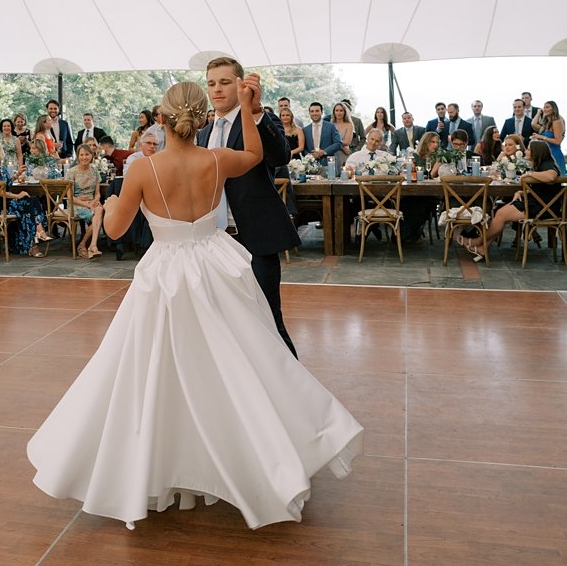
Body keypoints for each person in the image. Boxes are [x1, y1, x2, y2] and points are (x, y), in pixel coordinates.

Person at [29, 77, 362, 530]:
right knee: (235, 362)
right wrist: (246, 105)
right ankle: (252, 454)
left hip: (167, 273)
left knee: (159, 366)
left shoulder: (143, 170)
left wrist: (108, 205)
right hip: (217, 263)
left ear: (161, 120)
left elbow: (114, 233)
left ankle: (165, 462)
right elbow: (257, 156)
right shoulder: (217, 159)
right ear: (202, 119)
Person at [200, 60, 302, 357]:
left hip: (255, 238)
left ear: (241, 84)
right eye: (211, 83)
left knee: (268, 318)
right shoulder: (203, 135)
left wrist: (256, 112)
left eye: (224, 82)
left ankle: (293, 389)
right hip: (215, 243)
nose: (217, 89)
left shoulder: (255, 121)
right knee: (223, 322)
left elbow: (280, 155)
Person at [458, 141, 560, 257]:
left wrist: (530, 174)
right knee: (499, 211)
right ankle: (483, 248)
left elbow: (551, 176)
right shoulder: (540, 164)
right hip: (538, 203)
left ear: (537, 152)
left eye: (528, 149)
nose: (525, 151)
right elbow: (541, 189)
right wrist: (521, 191)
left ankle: (479, 241)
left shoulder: (547, 165)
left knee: (501, 214)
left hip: (544, 208)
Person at [0, 142, 53, 258]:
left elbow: (3, 183)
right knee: (28, 205)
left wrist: (16, 175)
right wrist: (17, 196)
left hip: (5, 202)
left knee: (30, 202)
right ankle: (37, 237)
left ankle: (36, 236)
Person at [65, 144, 105, 258]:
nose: (84, 157)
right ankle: (85, 245)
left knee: (100, 209)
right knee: (98, 214)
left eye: (87, 154)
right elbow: (70, 197)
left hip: (91, 202)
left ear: (92, 156)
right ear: (77, 156)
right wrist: (87, 204)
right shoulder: (72, 172)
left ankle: (91, 245)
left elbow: (97, 192)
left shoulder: (95, 171)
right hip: (76, 204)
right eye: (81, 155)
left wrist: (95, 200)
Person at [302, 103, 342, 170]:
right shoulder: (305, 130)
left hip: (328, 165)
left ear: (322, 112)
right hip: (310, 166)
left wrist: (323, 152)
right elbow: (303, 148)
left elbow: (338, 143)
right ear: (309, 113)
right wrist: (310, 156)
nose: (314, 113)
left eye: (317, 111)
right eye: (312, 111)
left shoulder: (331, 126)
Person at [530, 100, 565, 172]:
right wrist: (539, 112)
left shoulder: (557, 122)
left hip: (554, 154)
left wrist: (541, 137)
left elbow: (558, 141)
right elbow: (533, 124)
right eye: (544, 107)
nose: (545, 109)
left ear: (554, 109)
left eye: (547, 107)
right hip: (546, 156)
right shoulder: (546, 123)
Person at [330, 102, 361, 171]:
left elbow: (347, 142)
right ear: (334, 112)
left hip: (343, 154)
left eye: (341, 110)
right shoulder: (330, 124)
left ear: (345, 112)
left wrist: (335, 143)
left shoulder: (349, 125)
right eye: (337, 110)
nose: (339, 113)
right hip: (332, 153)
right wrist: (343, 147)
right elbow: (328, 141)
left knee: (344, 174)